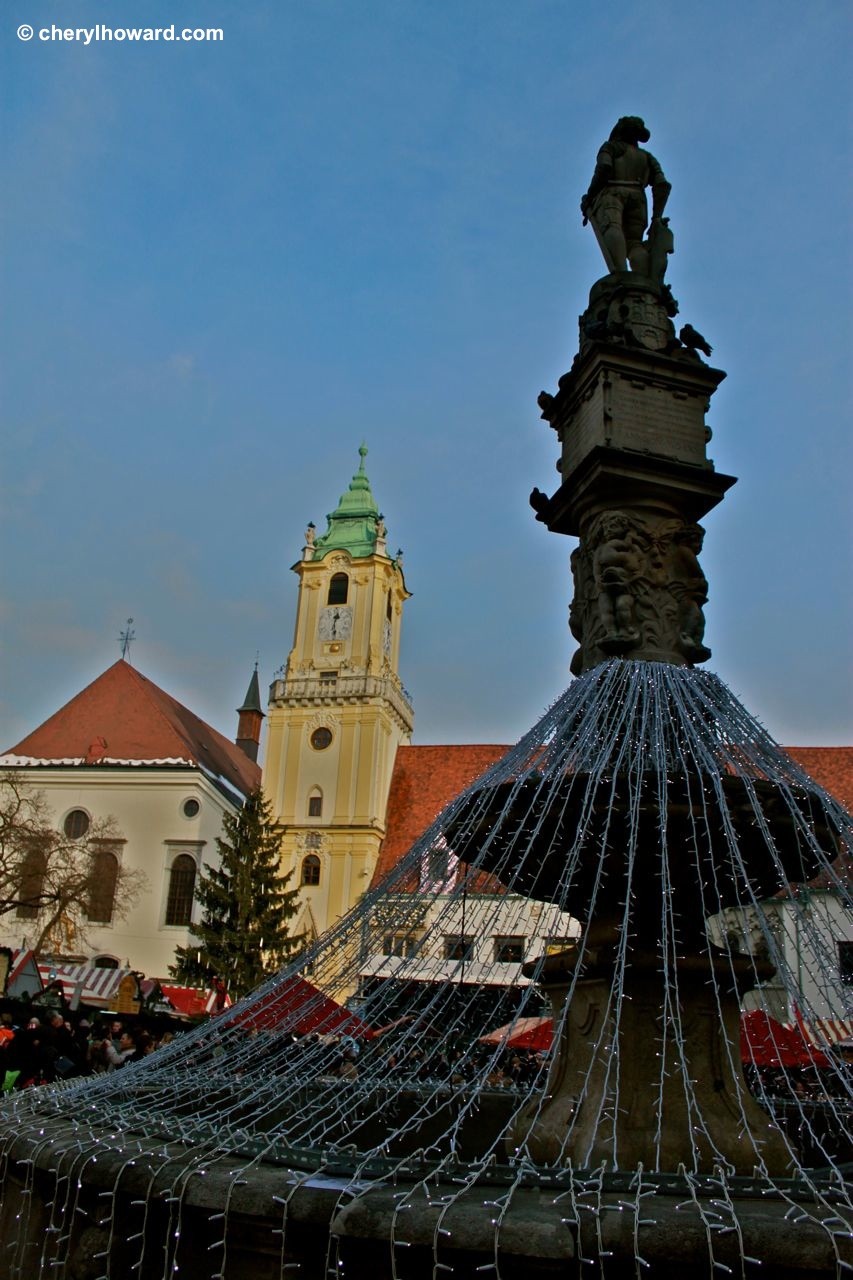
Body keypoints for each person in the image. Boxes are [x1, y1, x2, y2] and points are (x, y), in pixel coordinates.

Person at [581, 117, 671, 277]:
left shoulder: (611, 147)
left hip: (612, 194)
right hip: (639, 199)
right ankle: (644, 280)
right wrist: (656, 217)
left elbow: (603, 168)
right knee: (635, 243)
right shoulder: (647, 157)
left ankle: (620, 273)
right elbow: (662, 185)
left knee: (612, 226)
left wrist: (590, 195)